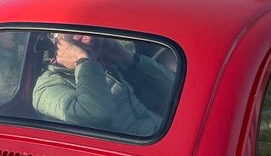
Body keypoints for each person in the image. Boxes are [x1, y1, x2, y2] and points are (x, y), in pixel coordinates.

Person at [32, 31, 174, 137]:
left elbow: (173, 87)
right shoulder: (47, 86)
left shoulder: (106, 66)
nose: (91, 37)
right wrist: (83, 61)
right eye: (78, 32)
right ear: (60, 40)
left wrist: (128, 58)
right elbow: (94, 115)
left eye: (93, 31)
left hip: (165, 131)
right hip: (140, 153)